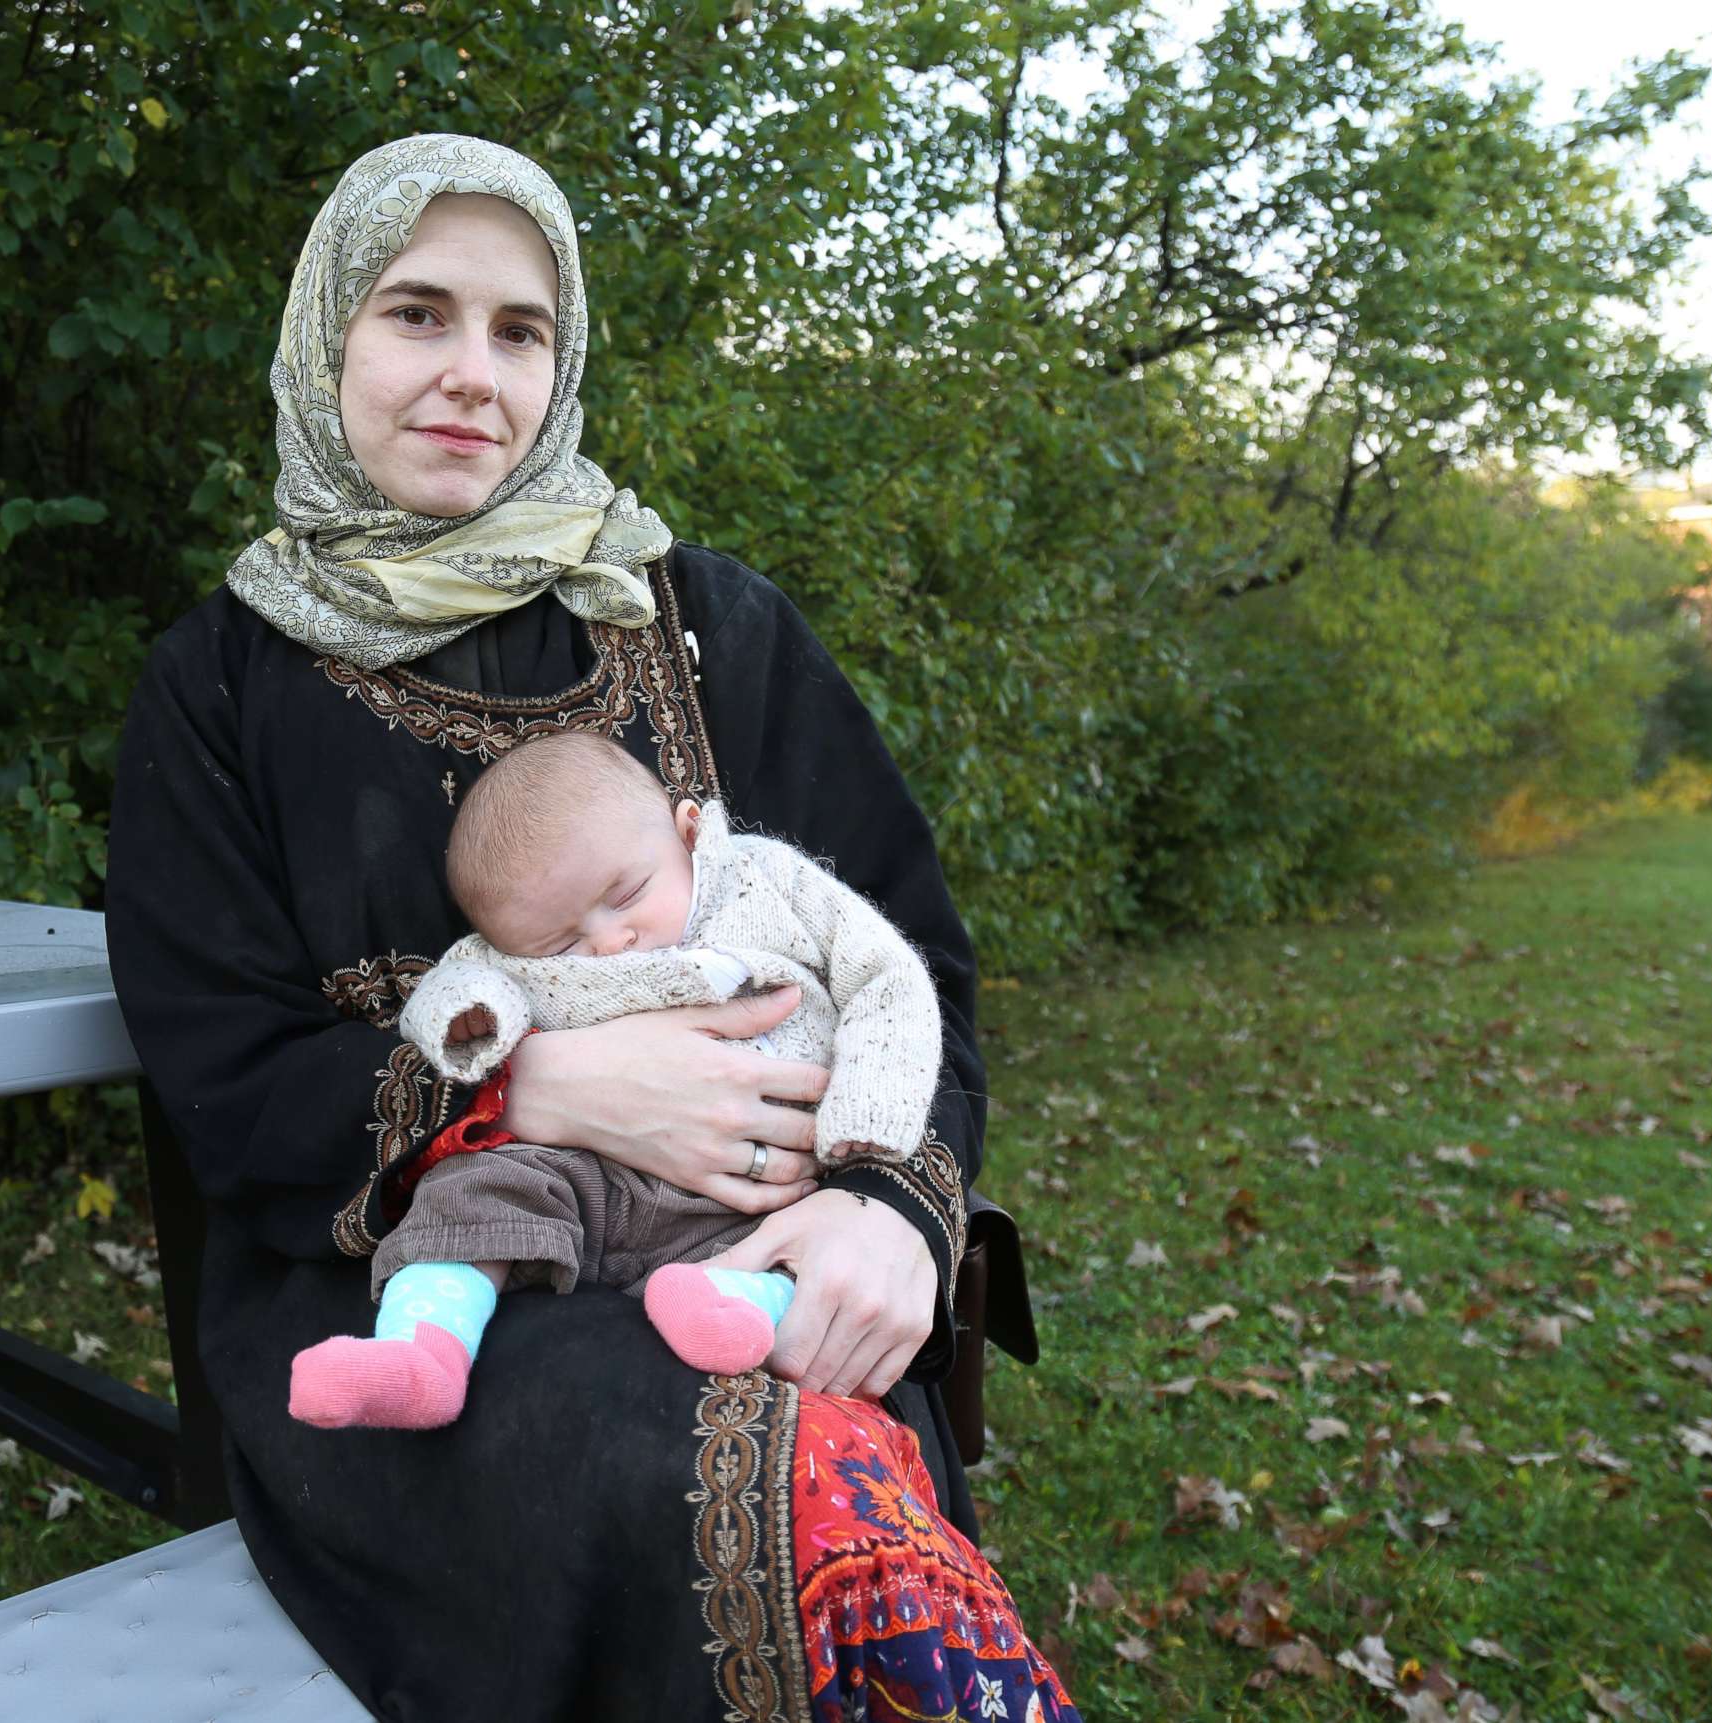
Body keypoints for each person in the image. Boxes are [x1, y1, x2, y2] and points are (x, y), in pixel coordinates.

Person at [108, 133, 1077, 1723]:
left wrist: (896, 1212)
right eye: (416, 313)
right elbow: (222, 1076)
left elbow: (915, 968)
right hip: (414, 1303)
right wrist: (531, 1092)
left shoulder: (712, 625)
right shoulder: (220, 684)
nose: (471, 374)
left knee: (813, 1439)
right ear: (325, 333)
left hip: (772, 1238)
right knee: (736, 1472)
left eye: (520, 329)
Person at [288, 732, 944, 1428]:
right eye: (561, 944)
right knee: (469, 1192)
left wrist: (869, 1109)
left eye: (627, 894)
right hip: (579, 1170)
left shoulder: (767, 883)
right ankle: (423, 1351)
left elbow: (884, 972)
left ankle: (733, 1308)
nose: (606, 941)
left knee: (796, 1252)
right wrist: (469, 1018)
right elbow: (460, 982)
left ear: (688, 829)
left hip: (752, 1192)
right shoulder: (509, 952)